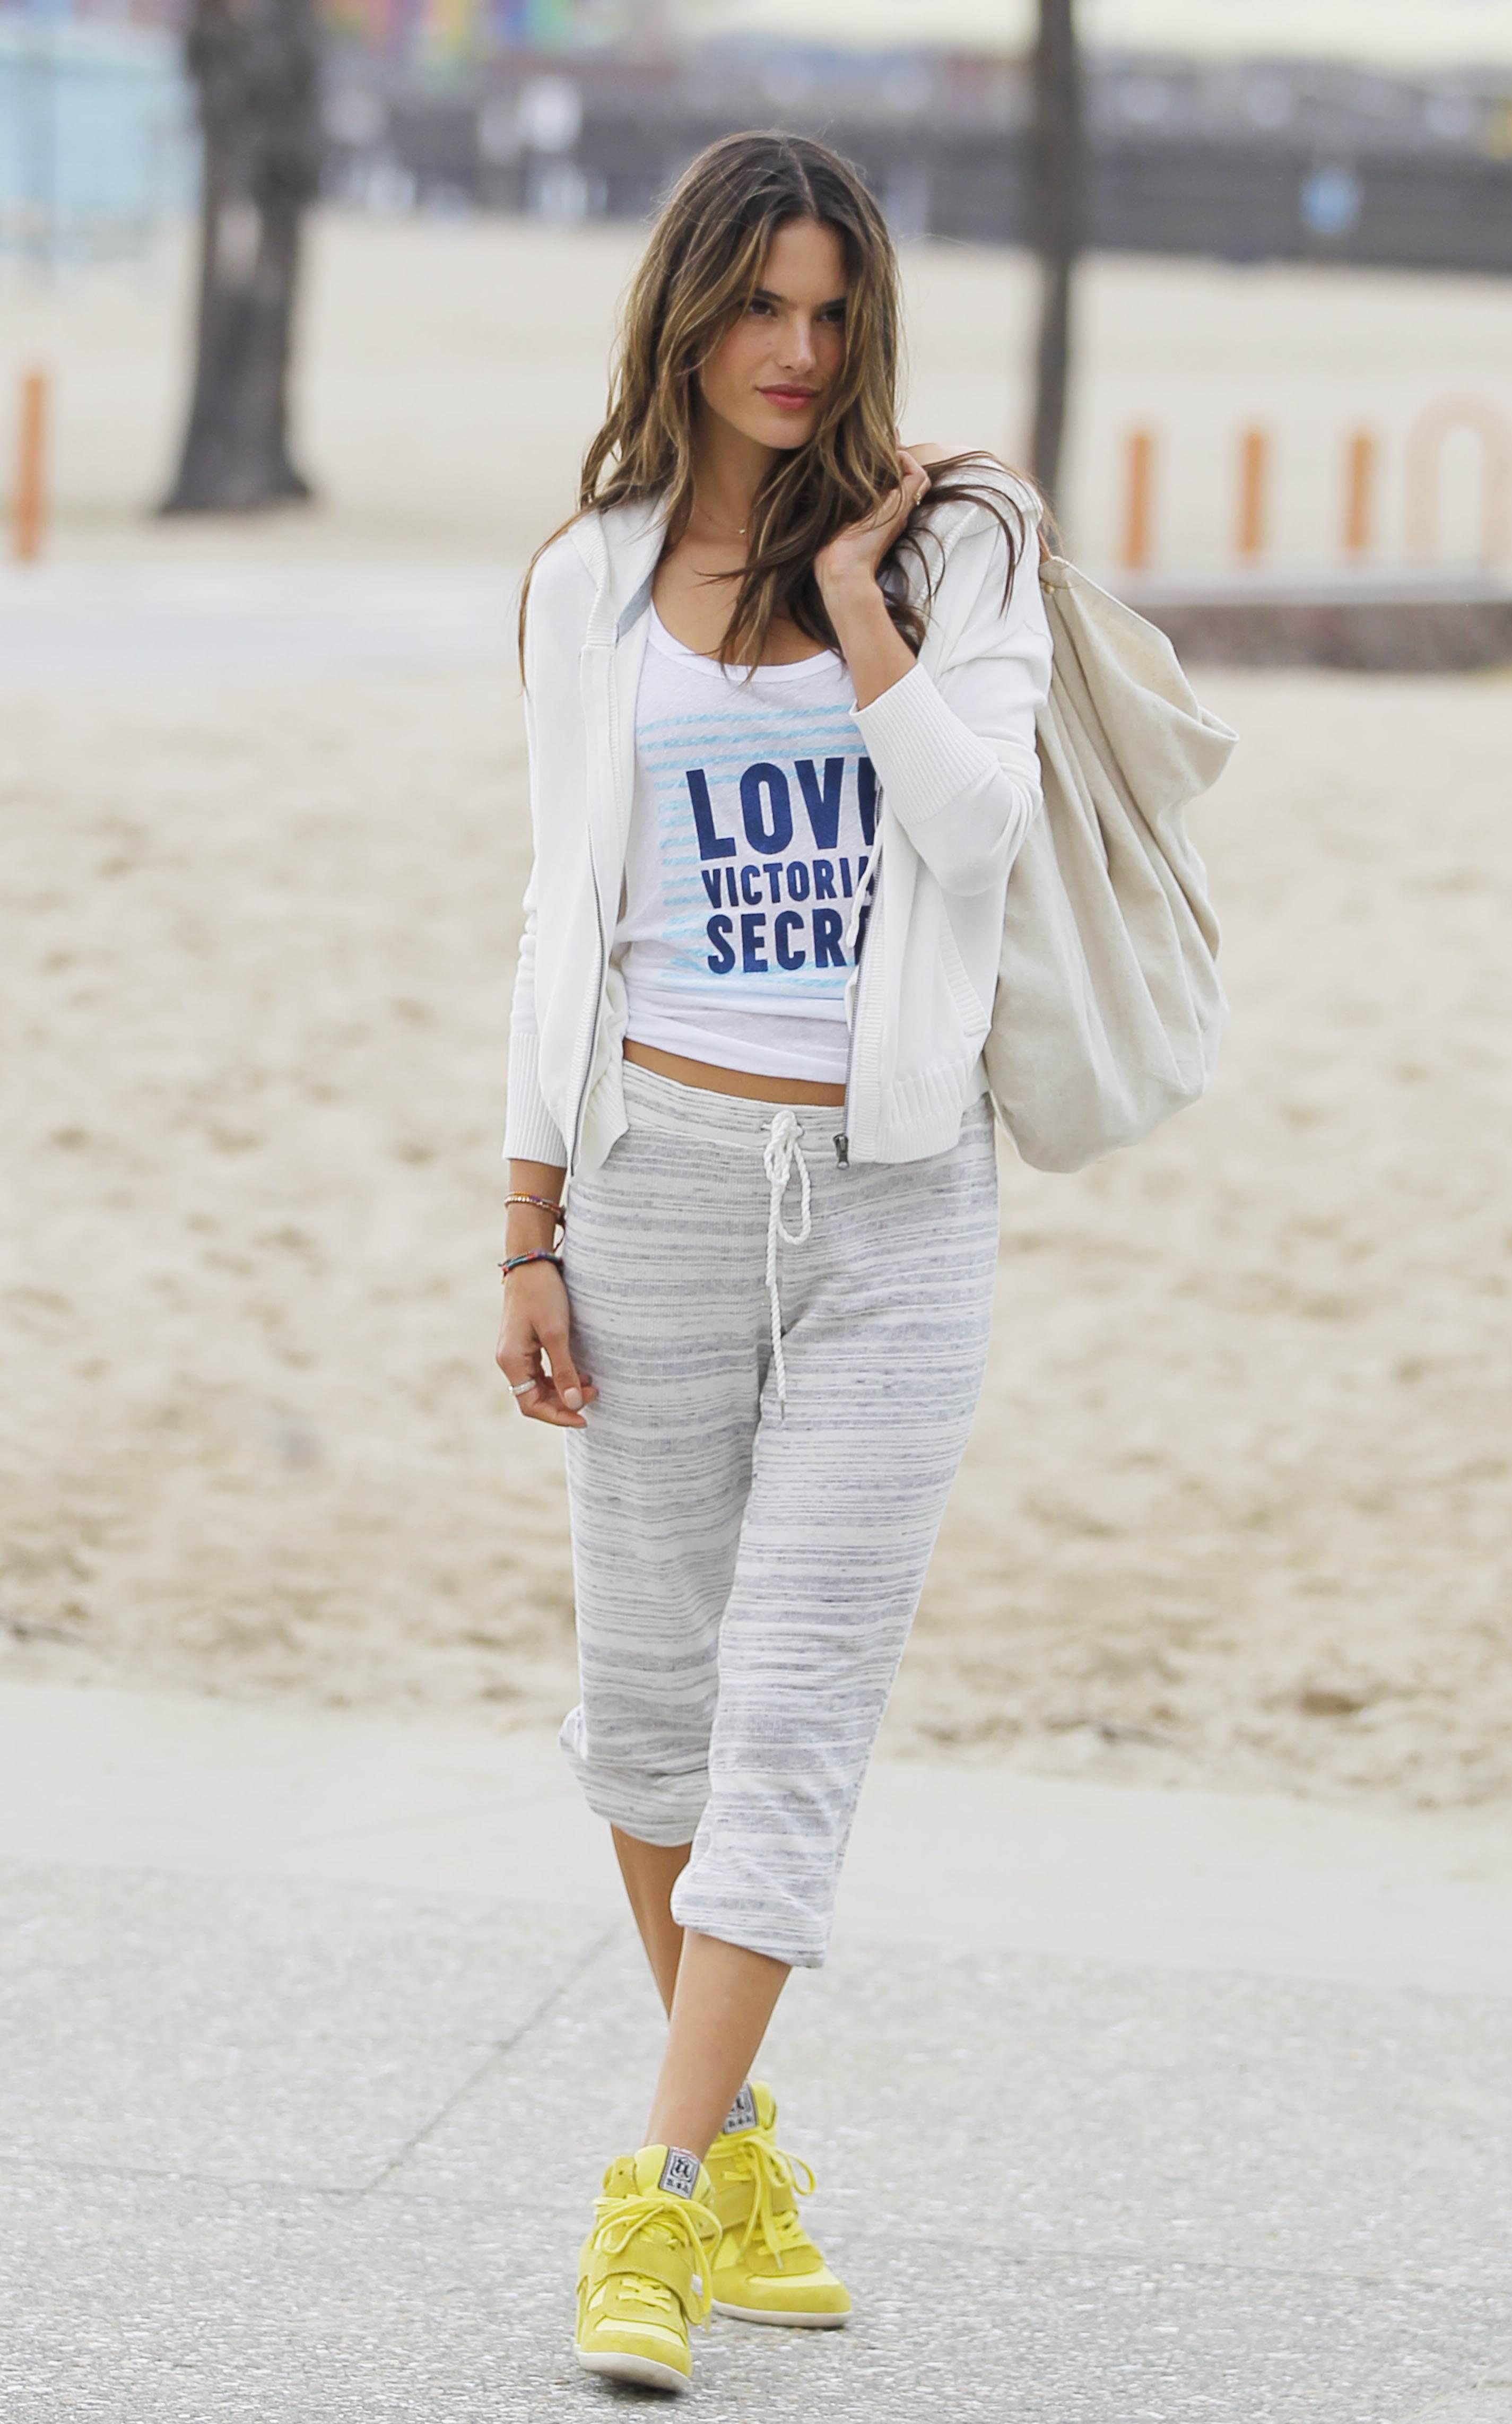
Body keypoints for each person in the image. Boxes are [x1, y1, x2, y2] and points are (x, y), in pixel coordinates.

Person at [497, 128, 1052, 2395]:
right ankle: (737, 2154)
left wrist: (852, 606)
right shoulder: (589, 579)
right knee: (650, 1717)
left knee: (790, 1714)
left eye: (830, 312)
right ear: (688, 307)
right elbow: (558, 911)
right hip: (647, 1182)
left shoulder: (964, 553)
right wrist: (522, 1220)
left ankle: (643, 2200)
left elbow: (980, 829)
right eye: (758, 306)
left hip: (896, 1204)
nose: (796, 352)